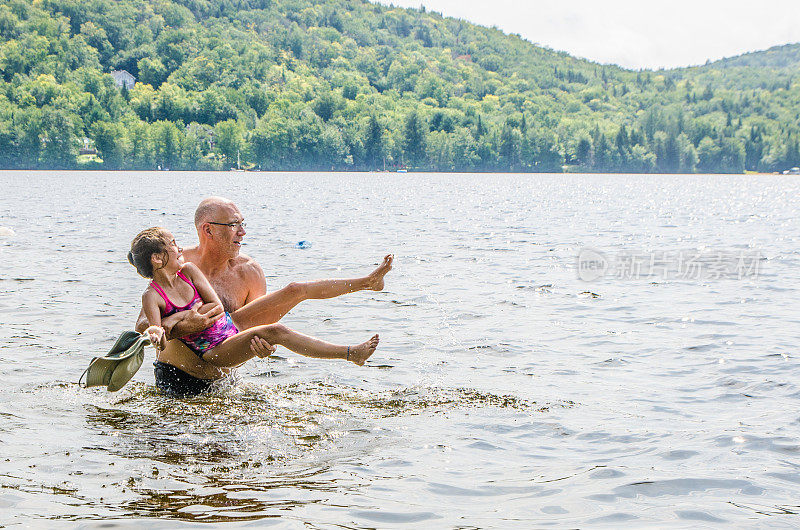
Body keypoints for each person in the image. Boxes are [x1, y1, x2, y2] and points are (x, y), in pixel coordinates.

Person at [135, 197, 393, 397]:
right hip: (178, 379)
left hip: (221, 377)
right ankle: (348, 352)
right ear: (208, 230)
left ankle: (368, 282)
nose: (242, 232)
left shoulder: (249, 273)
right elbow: (144, 326)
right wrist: (180, 325)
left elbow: (253, 334)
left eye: (242, 224)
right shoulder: (177, 266)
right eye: (234, 225)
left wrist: (261, 349)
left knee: (295, 289)